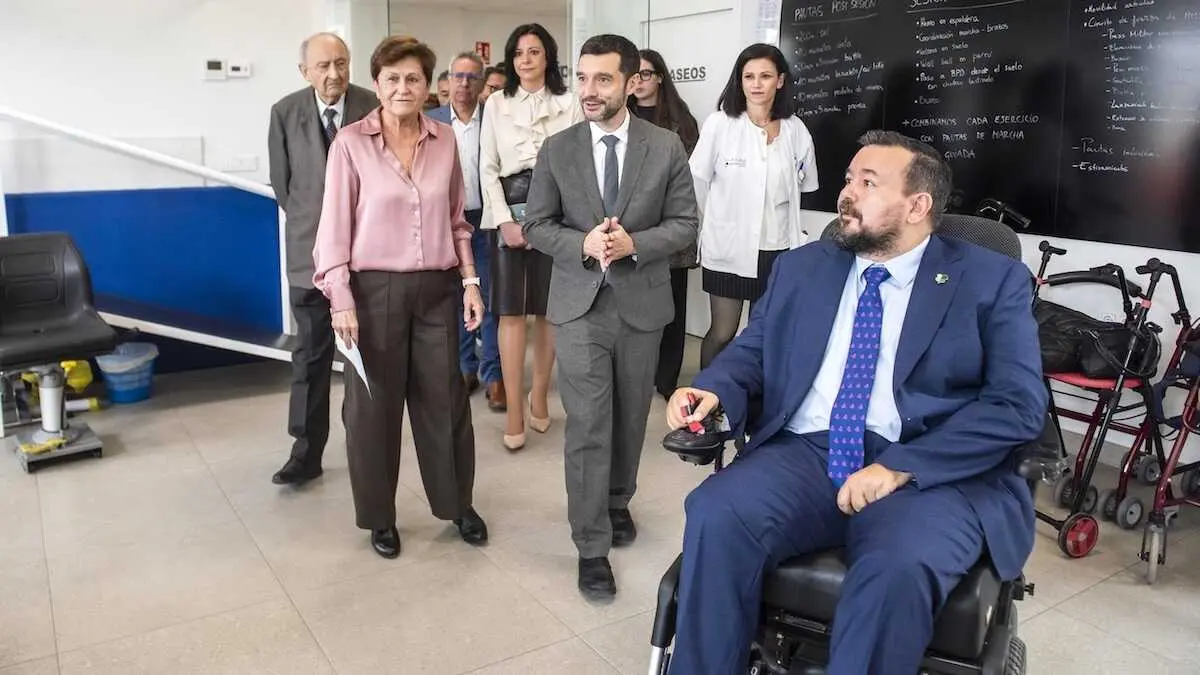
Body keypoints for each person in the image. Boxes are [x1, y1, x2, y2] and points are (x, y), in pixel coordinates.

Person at [663, 130, 1047, 673]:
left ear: (918, 205)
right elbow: (754, 350)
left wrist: (900, 467)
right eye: (848, 178)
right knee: (716, 512)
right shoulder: (805, 267)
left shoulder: (991, 279)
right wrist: (713, 389)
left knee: (894, 566)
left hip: (929, 469)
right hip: (810, 452)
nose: (847, 192)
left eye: (868, 182)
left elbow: (1016, 404)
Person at [524, 34, 699, 599]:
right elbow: (536, 225)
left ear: (632, 82)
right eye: (581, 78)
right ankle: (591, 545)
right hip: (579, 307)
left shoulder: (666, 146)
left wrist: (634, 244)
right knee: (590, 425)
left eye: (603, 79)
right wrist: (582, 245)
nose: (589, 90)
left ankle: (617, 501)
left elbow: (685, 224)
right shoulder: (558, 148)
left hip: (642, 303)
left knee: (629, 419)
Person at [312, 35, 489, 560]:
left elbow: (457, 221)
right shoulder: (350, 143)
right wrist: (340, 297)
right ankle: (379, 517)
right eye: (392, 79)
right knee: (373, 410)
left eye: (412, 78)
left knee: (447, 403)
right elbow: (332, 230)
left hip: (436, 290)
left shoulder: (444, 140)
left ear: (427, 85)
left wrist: (471, 280)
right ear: (377, 84)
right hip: (371, 293)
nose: (402, 88)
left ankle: (458, 504)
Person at [267, 32, 377, 486]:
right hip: (308, 260)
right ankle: (306, 453)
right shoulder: (285, 112)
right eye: (324, 66)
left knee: (365, 360)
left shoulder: (373, 104)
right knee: (310, 359)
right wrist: (324, 233)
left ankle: (367, 450)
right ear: (305, 71)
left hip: (368, 258)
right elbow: (284, 186)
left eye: (342, 63)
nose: (334, 74)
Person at [479, 23, 583, 450]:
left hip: (556, 212)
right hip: (510, 208)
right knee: (509, 313)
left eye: (534, 51)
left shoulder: (569, 102)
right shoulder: (495, 105)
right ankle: (517, 409)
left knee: (548, 311)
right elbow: (486, 168)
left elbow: (579, 166)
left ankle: (540, 395)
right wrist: (503, 219)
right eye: (518, 52)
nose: (525, 59)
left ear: (547, 57)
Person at [690, 43, 819, 369]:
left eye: (765, 76)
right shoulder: (720, 125)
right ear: (740, 81)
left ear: (780, 80)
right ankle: (706, 407)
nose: (756, 84)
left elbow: (804, 186)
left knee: (764, 334)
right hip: (728, 249)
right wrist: (717, 222)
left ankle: (749, 404)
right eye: (749, 76)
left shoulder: (796, 130)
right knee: (723, 332)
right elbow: (696, 183)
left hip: (777, 250)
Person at [428, 52, 505, 411]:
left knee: (488, 298)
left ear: (481, 82)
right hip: (445, 223)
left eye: (471, 77)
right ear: (446, 81)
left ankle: (494, 376)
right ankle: (464, 367)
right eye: (457, 76)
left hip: (485, 220)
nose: (463, 84)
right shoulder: (431, 121)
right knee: (455, 300)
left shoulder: (495, 117)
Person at [627, 48, 701, 400]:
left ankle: (667, 377)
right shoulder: (617, 117)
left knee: (672, 306)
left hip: (670, 228)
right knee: (635, 307)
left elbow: (686, 179)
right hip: (630, 229)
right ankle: (637, 372)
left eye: (646, 74)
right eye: (634, 74)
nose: (639, 81)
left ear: (660, 77)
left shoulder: (681, 121)